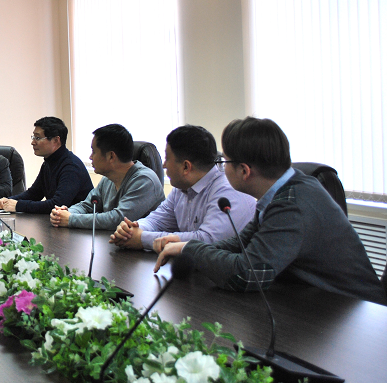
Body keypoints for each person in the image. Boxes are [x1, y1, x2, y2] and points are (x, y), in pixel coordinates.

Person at [154, 117, 386, 305]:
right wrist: (187, 247)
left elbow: (246, 275)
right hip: (319, 306)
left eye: (224, 163)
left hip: (359, 316)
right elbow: (240, 243)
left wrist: (193, 250)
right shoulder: (285, 190)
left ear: (244, 171)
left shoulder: (292, 205)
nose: (221, 169)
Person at [110, 125, 255, 251]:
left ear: (186, 167)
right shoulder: (181, 189)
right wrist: (132, 229)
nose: (163, 165)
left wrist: (143, 239)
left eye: (167, 158)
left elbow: (208, 239)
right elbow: (157, 220)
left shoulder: (227, 191)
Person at [50, 124, 163, 229]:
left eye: (94, 151)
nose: (90, 157)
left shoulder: (145, 180)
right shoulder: (108, 178)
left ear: (111, 156)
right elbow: (86, 206)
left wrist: (71, 219)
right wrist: (64, 213)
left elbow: (118, 219)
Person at [0, 116, 92, 214]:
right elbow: (34, 193)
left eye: (37, 138)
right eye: (33, 137)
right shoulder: (49, 163)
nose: (33, 142)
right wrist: (9, 200)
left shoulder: (71, 166)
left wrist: (18, 205)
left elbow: (57, 204)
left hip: (78, 221)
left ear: (56, 140)